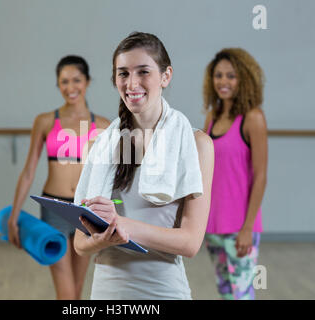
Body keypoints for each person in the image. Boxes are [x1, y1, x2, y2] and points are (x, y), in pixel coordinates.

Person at [73, 32, 214, 300]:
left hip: (163, 292)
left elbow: (190, 242)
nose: (131, 83)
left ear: (165, 76)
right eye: (123, 73)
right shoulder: (102, 145)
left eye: (143, 72)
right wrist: (99, 239)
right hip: (107, 292)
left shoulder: (197, 144)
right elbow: (80, 244)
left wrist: (119, 224)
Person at [7, 55, 110, 300]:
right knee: (65, 293)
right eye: (64, 81)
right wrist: (14, 216)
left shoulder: (104, 125)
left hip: (87, 210)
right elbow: (29, 171)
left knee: (76, 290)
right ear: (57, 84)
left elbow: (109, 178)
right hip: (55, 207)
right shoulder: (44, 121)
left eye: (76, 80)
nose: (70, 87)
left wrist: (109, 220)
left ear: (87, 82)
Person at [202, 48, 268, 300]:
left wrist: (248, 227)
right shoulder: (212, 117)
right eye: (218, 75)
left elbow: (261, 176)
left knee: (241, 294)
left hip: (240, 226)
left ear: (243, 79)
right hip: (213, 225)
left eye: (231, 76)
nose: (223, 82)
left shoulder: (253, 118)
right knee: (225, 292)